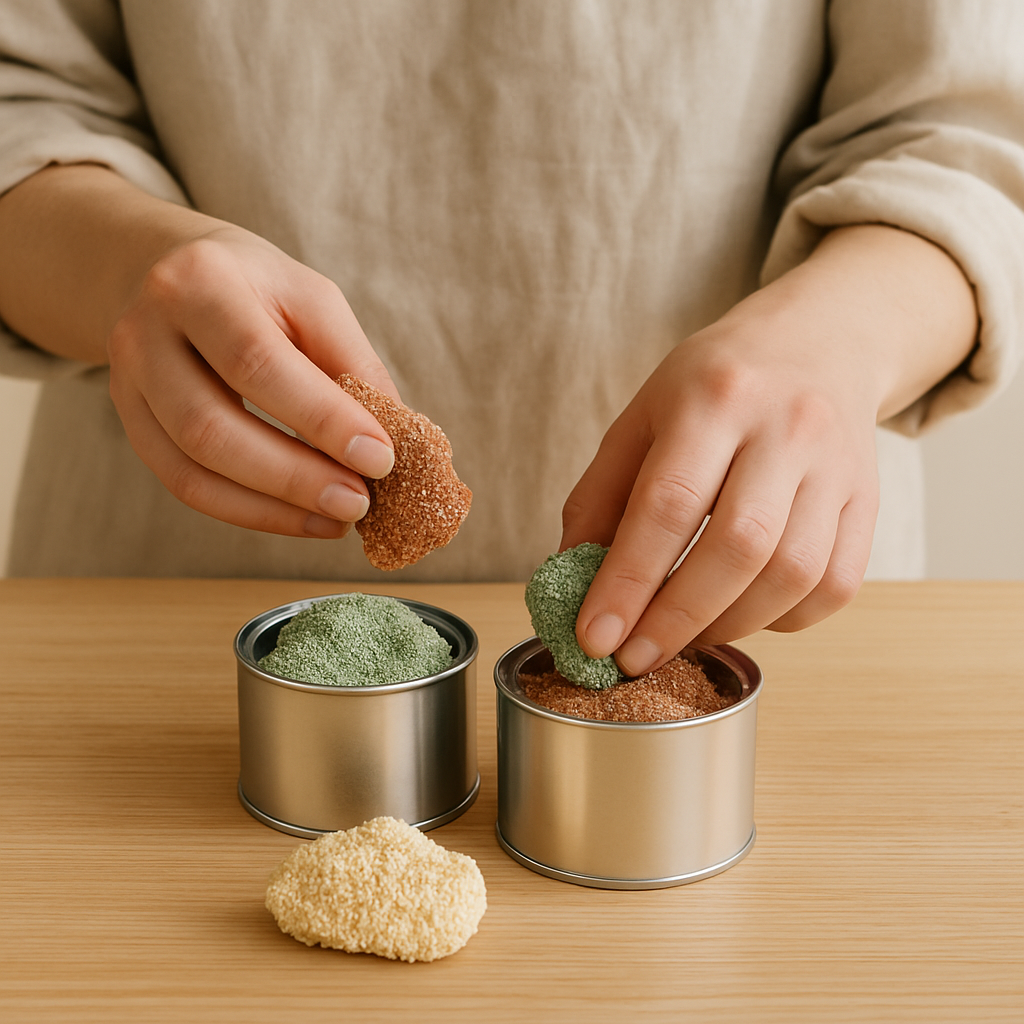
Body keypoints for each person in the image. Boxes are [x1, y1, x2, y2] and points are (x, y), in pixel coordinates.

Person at [0, 2, 1022, 677]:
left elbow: (965, 137)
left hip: (755, 589)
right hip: (148, 627)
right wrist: (123, 265)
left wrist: (833, 342)